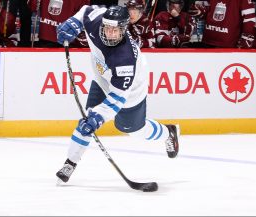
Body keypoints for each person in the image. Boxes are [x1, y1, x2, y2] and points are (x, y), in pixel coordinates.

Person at [55, 5, 180, 183]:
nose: (110, 33)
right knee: (86, 121)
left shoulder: (125, 59)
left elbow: (118, 97)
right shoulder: (96, 20)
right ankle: (70, 163)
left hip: (130, 93)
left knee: (135, 131)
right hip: (103, 78)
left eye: (116, 30)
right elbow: (86, 10)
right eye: (107, 28)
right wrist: (73, 22)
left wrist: (100, 117)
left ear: (124, 28)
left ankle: (169, 132)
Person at [189, 0, 256, 48]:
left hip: (228, 44)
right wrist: (200, 12)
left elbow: (249, 17)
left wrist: (247, 37)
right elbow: (207, 9)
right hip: (208, 39)